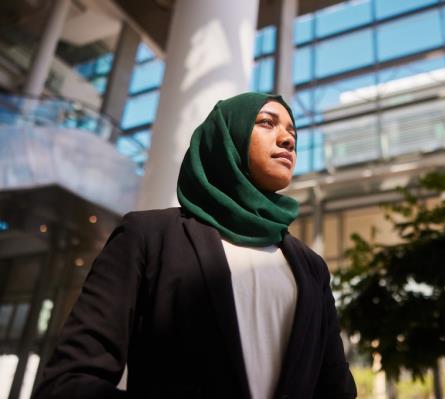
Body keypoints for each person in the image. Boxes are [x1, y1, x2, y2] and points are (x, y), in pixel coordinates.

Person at [33, 92, 357, 399]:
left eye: (292, 132)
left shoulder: (311, 267)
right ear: (225, 139)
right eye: (266, 123)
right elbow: (68, 382)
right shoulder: (148, 235)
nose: (288, 139)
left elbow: (336, 389)